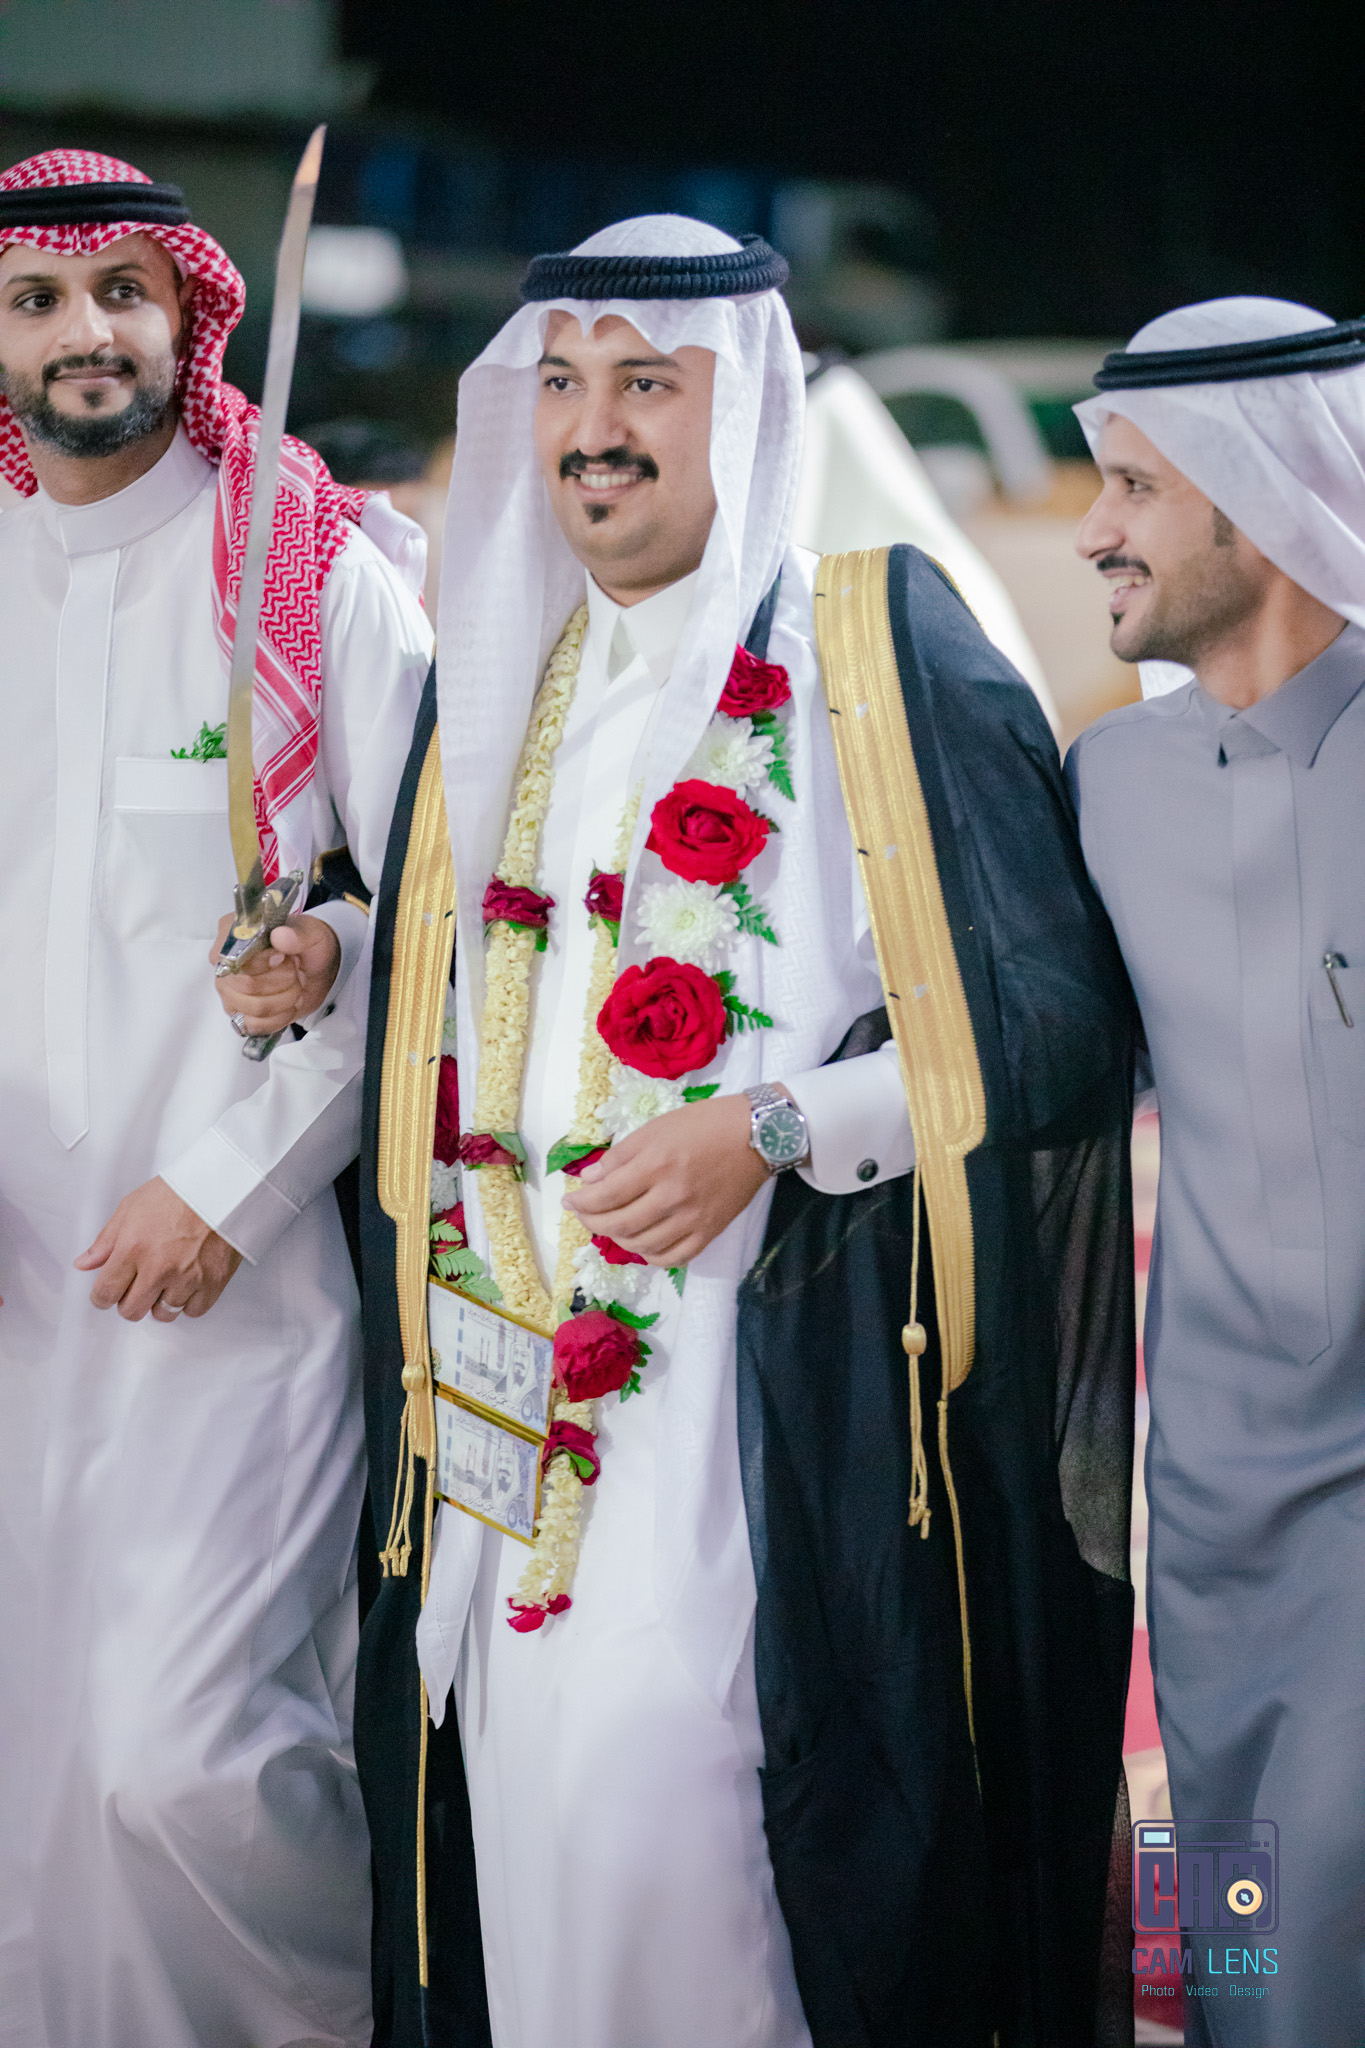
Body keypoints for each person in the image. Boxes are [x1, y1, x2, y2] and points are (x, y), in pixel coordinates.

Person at [355, 215, 1137, 2048]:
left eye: (647, 383)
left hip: (764, 1398)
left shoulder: (871, 650)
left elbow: (1048, 1022)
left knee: (699, 1831)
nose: (593, 429)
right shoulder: (501, 687)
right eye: (563, 384)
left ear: (751, 407)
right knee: (526, 1840)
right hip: (504, 1420)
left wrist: (771, 1129)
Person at [0, 150, 431, 2046]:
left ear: (190, 310)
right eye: (36, 298)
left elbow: (443, 917)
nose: (83, 329)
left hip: (223, 1288)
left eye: (123, 288)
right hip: (10, 1291)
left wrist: (236, 1177)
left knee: (181, 1768)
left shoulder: (309, 567)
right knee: (28, 1787)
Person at [1068, 297, 1365, 2048]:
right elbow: (1022, 1071)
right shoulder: (1107, 783)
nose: (1090, 530)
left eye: (1132, 489)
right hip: (1205, 1522)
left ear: (1256, 505)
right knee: (1236, 1957)